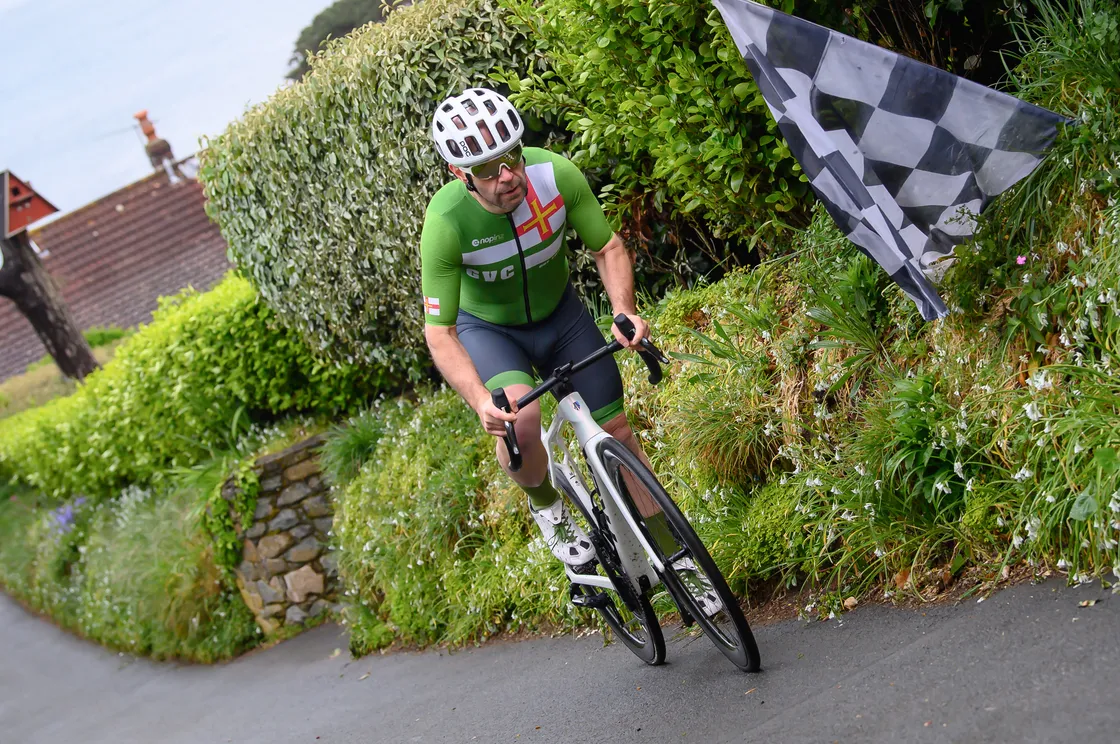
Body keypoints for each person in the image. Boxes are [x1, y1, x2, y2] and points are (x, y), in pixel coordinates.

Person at [419, 87, 719, 613]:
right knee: (522, 418)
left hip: (562, 317)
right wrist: (480, 401)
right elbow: (439, 333)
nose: (507, 176)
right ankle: (547, 507)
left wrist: (624, 310)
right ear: (458, 173)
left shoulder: (555, 176)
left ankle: (679, 561)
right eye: (487, 170)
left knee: (619, 432)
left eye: (511, 156)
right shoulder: (445, 224)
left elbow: (607, 247)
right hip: (493, 332)